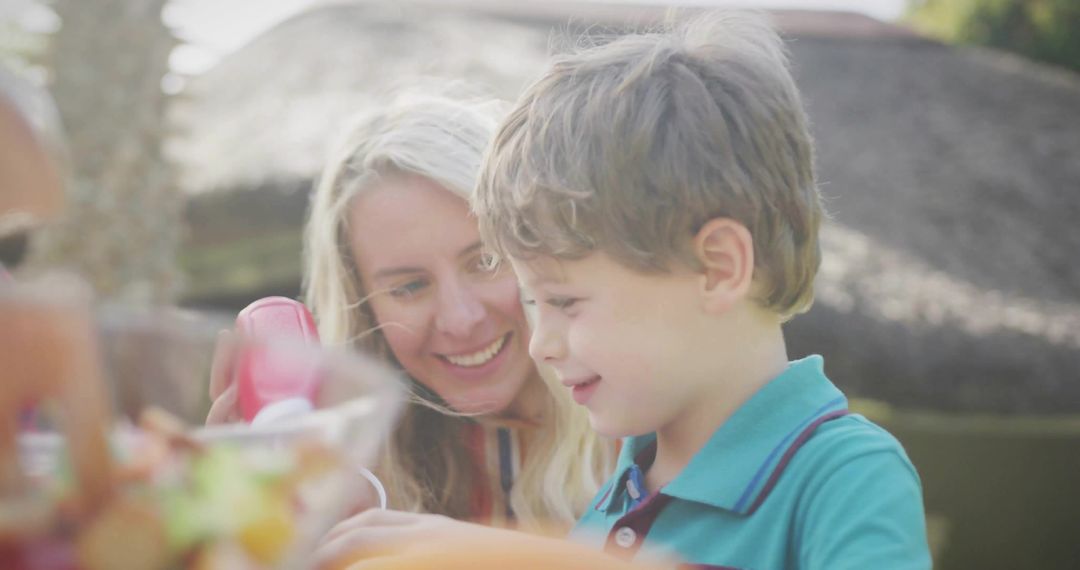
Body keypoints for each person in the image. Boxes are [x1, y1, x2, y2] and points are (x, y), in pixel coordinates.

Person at [320, 11, 931, 569]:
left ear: (718, 267)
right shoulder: (622, 489)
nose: (541, 345)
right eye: (535, 302)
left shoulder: (845, 476)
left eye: (564, 302)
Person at [206, 89, 614, 531]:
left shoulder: (646, 432)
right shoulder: (355, 472)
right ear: (364, 311)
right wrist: (243, 515)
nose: (460, 319)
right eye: (410, 287)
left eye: (487, 261)